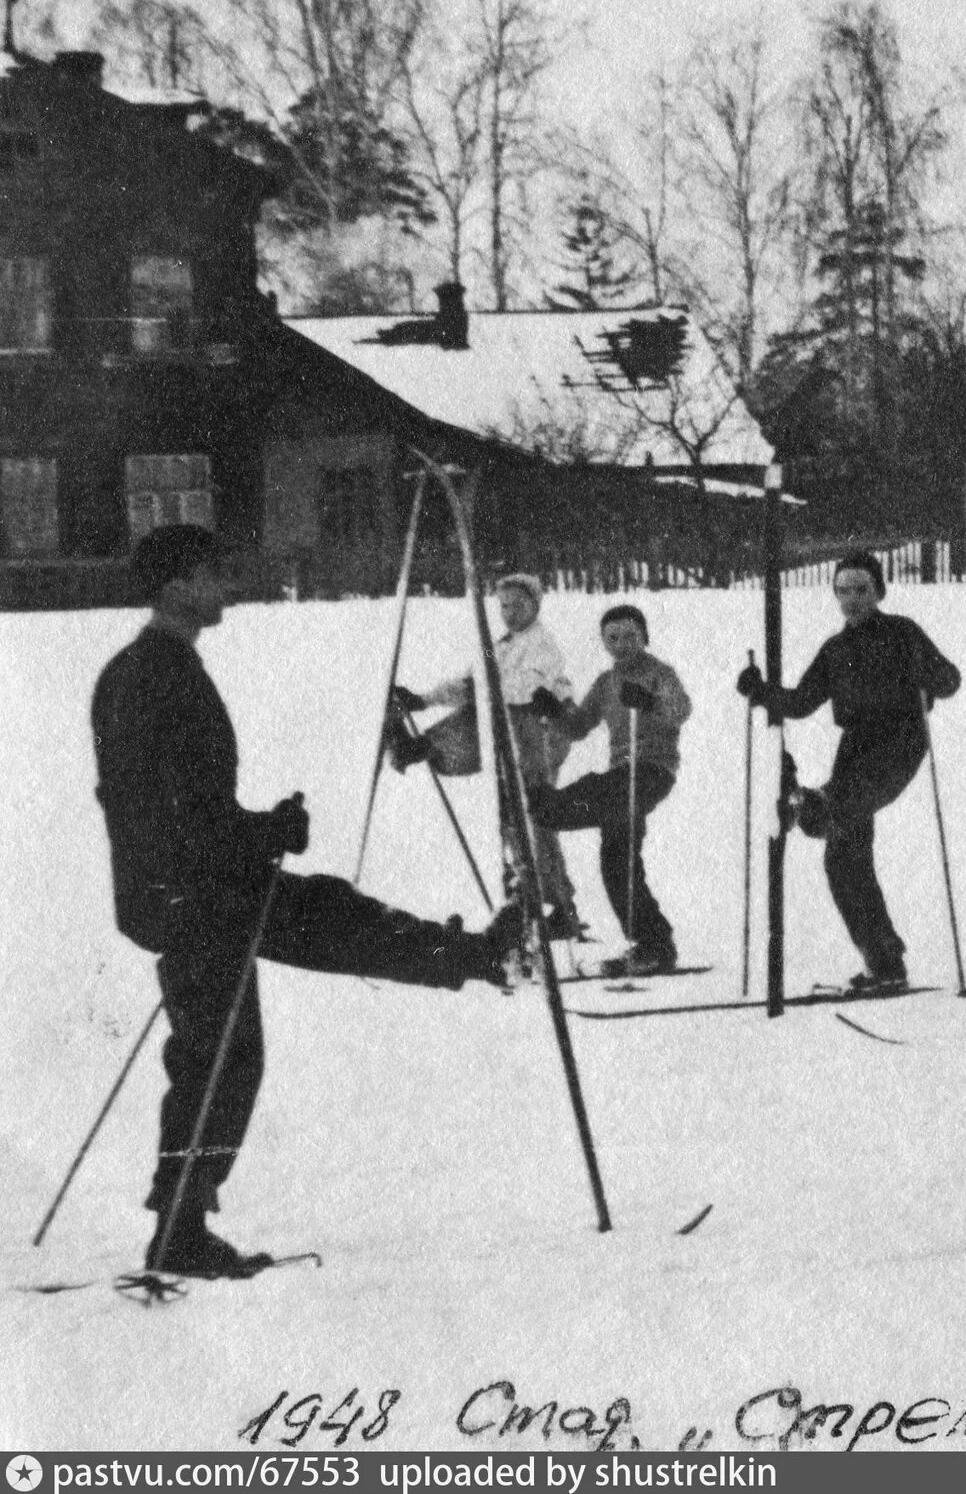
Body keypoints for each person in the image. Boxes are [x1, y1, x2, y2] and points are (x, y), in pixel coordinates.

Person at [90, 524, 520, 1279]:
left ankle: (472, 954)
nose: (226, 583)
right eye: (212, 572)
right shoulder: (147, 675)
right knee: (221, 1058)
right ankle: (179, 1229)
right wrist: (263, 830)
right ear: (175, 584)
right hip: (187, 891)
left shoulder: (163, 665)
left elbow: (186, 800)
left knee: (325, 914)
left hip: (204, 880)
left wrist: (257, 830)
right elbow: (157, 806)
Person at [738, 555, 963, 997]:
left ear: (879, 592)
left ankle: (808, 802)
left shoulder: (903, 632)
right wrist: (760, 691)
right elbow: (802, 701)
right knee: (843, 859)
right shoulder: (835, 649)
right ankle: (885, 964)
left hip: (899, 740)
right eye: (844, 590)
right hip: (855, 744)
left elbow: (950, 680)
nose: (853, 600)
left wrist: (928, 673)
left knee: (846, 801)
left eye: (862, 590)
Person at [392, 571, 582, 939]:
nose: (510, 612)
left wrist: (480, 685)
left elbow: (521, 687)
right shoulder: (498, 642)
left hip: (539, 731)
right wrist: (424, 699)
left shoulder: (542, 642)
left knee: (533, 817)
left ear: (535, 604)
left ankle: (559, 907)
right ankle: (531, 900)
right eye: (504, 606)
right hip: (510, 728)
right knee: (513, 819)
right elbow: (471, 681)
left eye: (518, 605)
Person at [527, 605, 692, 979]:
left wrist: (649, 701)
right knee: (617, 863)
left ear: (644, 637)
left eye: (630, 636)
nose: (621, 645)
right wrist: (554, 711)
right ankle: (654, 945)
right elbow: (579, 726)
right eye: (612, 638)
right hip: (623, 776)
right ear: (603, 642)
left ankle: (552, 808)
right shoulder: (606, 683)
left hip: (651, 770)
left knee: (598, 791)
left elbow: (680, 709)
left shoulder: (659, 673)